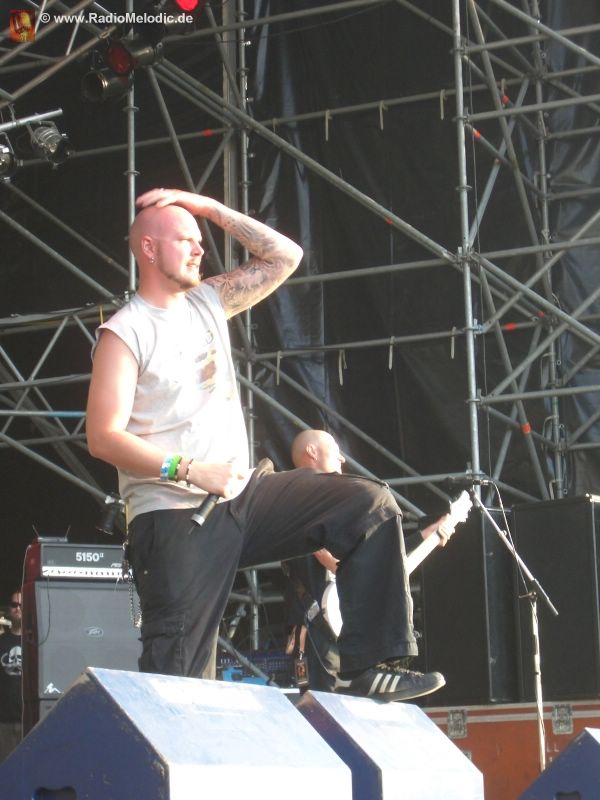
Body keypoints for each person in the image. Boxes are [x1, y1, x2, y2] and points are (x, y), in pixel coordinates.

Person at [86, 187, 446, 702]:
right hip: (174, 516)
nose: (199, 247)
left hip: (244, 497)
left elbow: (285, 256)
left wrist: (206, 207)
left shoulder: (207, 302)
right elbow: (103, 437)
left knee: (367, 505)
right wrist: (189, 469)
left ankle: (368, 666)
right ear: (148, 248)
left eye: (199, 237)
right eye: (185, 239)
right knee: (180, 683)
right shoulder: (125, 333)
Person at [285, 429, 456, 691]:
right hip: (319, 623)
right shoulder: (302, 498)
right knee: (322, 702)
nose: (342, 459)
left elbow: (373, 551)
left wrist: (428, 535)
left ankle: (381, 669)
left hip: (340, 620)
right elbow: (333, 559)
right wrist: (374, 576)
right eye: (335, 450)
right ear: (312, 451)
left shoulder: (335, 500)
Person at [0, 590, 22, 762]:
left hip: (30, 718)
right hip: (4, 720)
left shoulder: (38, 640)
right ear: (9, 609)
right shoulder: (2, 642)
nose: (18, 608)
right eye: (14, 605)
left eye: (22, 604)